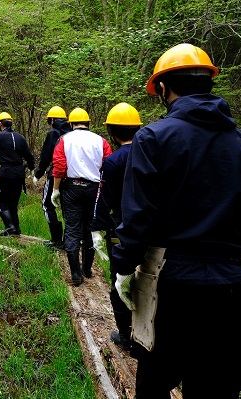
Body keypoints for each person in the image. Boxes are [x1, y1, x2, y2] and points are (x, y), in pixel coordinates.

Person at [112, 43, 241, 399]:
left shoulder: (153, 138)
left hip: (170, 288)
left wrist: (123, 266)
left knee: (154, 386)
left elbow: (138, 217)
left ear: (162, 88)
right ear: (209, 83)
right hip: (230, 290)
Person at [89, 102, 142, 351]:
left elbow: (104, 198)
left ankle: (125, 334)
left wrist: (97, 228)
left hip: (121, 231)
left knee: (119, 281)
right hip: (153, 232)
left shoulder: (113, 162)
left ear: (111, 131)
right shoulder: (152, 154)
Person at [51, 107, 112, 286]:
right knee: (89, 228)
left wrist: (55, 190)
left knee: (72, 228)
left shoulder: (64, 140)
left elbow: (60, 166)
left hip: (71, 187)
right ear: (88, 123)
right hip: (94, 188)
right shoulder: (101, 141)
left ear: (70, 123)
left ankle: (76, 274)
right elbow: (108, 165)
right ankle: (86, 268)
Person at [0, 112, 35, 236]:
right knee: (13, 203)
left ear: (0, 124)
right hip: (19, 174)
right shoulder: (20, 137)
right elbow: (29, 157)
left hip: (6, 173)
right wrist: (32, 169)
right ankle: (16, 230)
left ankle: (10, 226)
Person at [32, 106, 71, 249]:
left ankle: (56, 240)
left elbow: (46, 156)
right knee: (68, 208)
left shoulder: (53, 133)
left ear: (53, 120)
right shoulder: (72, 132)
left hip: (56, 175)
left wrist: (38, 173)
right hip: (72, 176)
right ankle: (69, 241)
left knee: (47, 205)